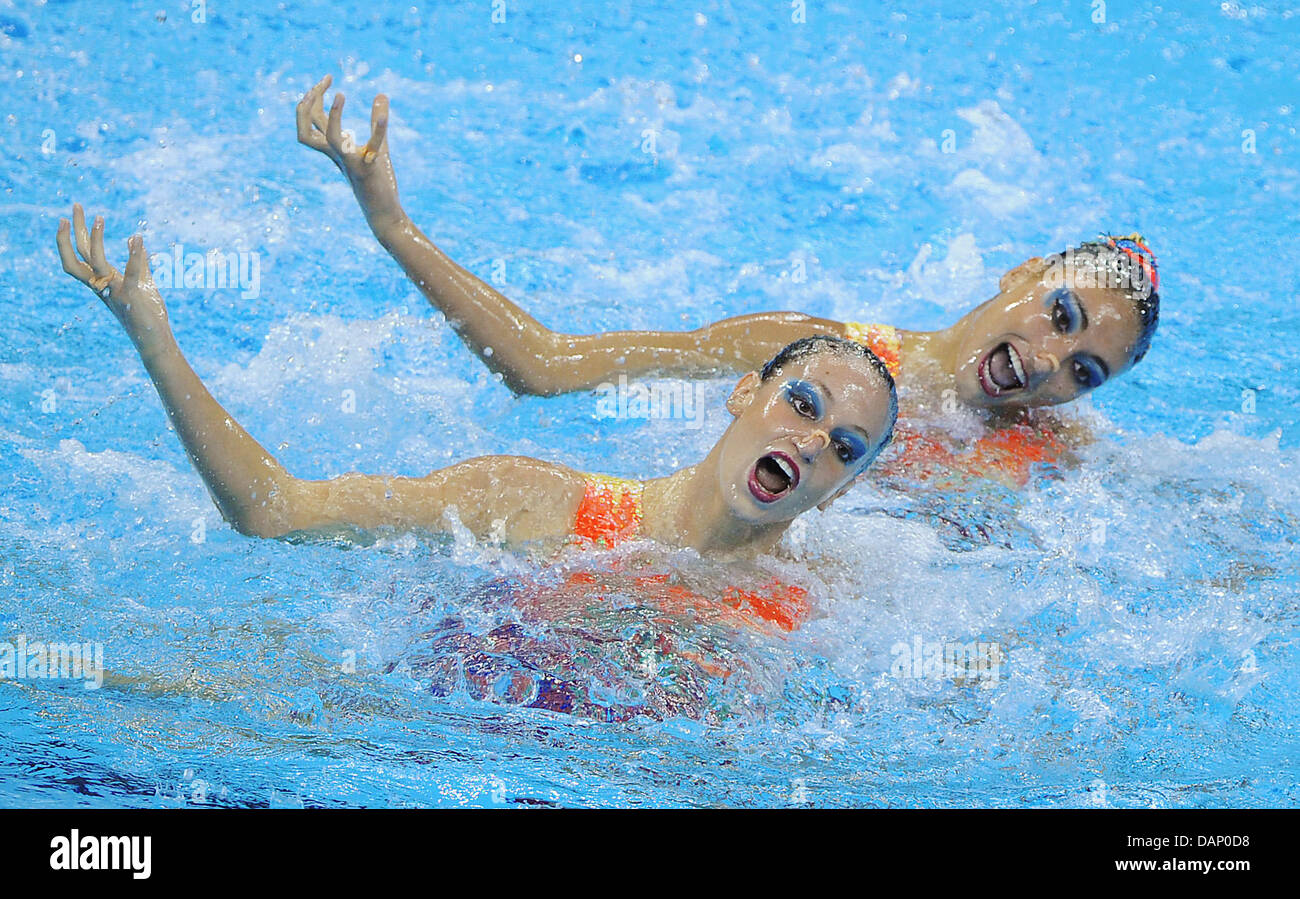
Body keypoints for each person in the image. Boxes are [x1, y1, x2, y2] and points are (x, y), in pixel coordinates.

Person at [295, 76, 1160, 484]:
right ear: (1021, 274)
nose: (1052, 360)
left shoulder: (1058, 462)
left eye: (1087, 370)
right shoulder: (815, 360)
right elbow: (545, 367)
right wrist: (392, 227)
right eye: (1060, 312)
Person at [55, 205, 896, 564]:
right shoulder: (540, 505)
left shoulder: (822, 608)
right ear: (743, 392)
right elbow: (274, 512)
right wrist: (153, 338)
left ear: (837, 492)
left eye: (843, 450)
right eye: (803, 404)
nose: (812, 442)